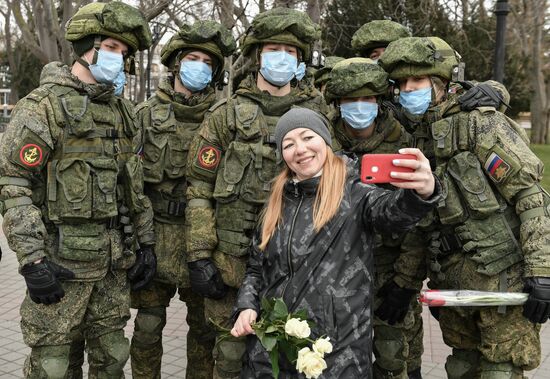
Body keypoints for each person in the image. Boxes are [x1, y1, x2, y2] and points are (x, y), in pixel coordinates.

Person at [0, 2, 156, 377]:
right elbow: (14, 182)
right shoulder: (44, 107)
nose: (118, 57)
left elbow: (133, 185)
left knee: (113, 357)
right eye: (111, 48)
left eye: (124, 52)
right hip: (59, 264)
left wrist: (146, 244)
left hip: (112, 266)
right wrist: (33, 260)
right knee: (53, 366)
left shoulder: (122, 113)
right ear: (87, 47)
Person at [380, 36, 550, 378]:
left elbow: (530, 199)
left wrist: (542, 270)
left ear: (441, 83)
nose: (409, 89)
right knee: (460, 367)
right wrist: (403, 283)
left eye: (418, 81)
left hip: (504, 280)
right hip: (453, 284)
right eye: (402, 84)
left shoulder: (480, 124)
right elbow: (421, 225)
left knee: (500, 370)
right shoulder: (416, 141)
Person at [230, 107, 439, 377]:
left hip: (336, 355)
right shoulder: (276, 200)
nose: (300, 149)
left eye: (307, 137)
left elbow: (392, 214)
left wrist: (422, 192)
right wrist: (247, 306)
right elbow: (257, 269)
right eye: (289, 144)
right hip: (274, 351)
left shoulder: (354, 192)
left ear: (325, 141)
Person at [185, 7, 336, 378]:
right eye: (273, 51)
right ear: (257, 57)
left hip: (298, 268)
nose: (281, 59)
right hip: (232, 266)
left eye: (290, 53)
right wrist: (200, 253)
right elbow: (199, 186)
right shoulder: (227, 114)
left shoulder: (316, 115)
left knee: (293, 360)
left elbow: (337, 183)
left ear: (300, 61)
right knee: (230, 358)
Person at [130, 21, 236, 379]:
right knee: (146, 327)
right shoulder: (145, 114)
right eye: (193, 58)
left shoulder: (224, 118)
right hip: (155, 235)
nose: (200, 67)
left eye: (208, 62)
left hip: (201, 238)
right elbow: (129, 184)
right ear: (176, 64)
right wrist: (137, 241)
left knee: (204, 331)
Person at [324, 57, 424, 379]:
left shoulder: (404, 142)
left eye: (367, 99)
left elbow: (420, 219)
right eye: (351, 100)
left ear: (380, 102)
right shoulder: (322, 144)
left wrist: (405, 282)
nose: (359, 106)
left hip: (389, 274)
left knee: (394, 361)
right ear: (337, 103)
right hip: (335, 275)